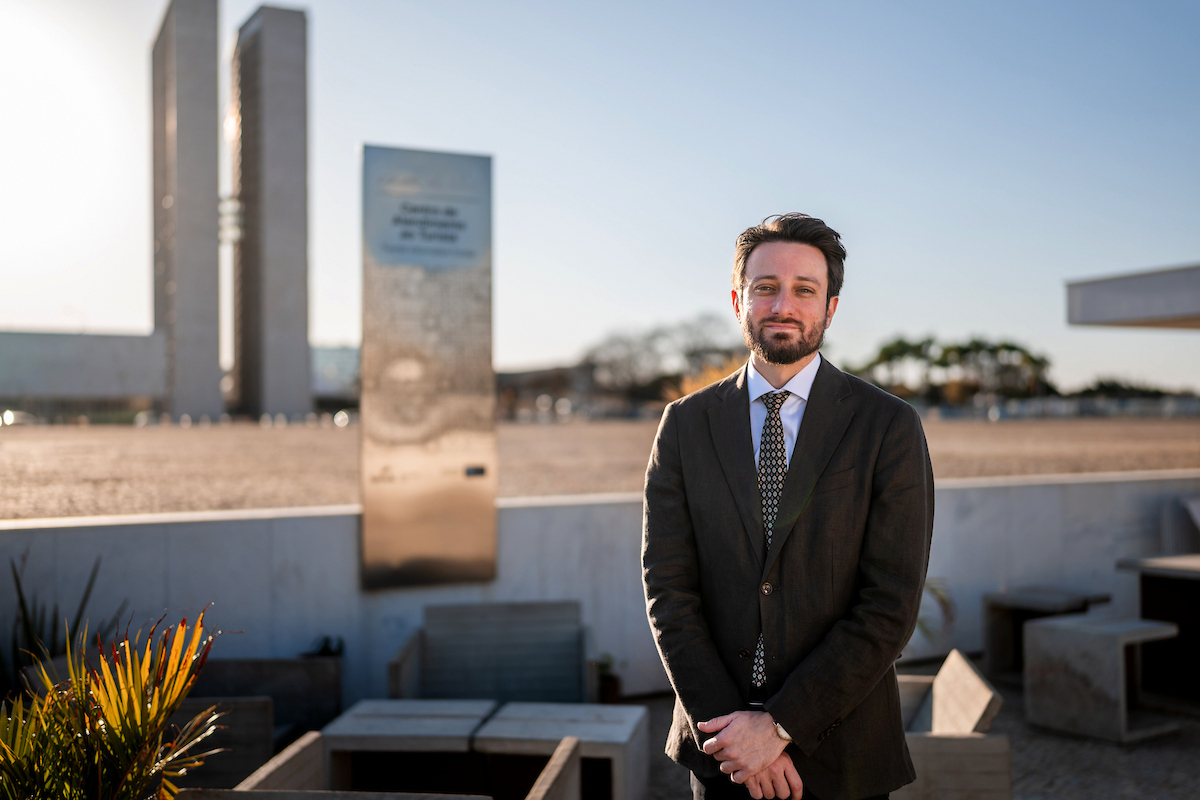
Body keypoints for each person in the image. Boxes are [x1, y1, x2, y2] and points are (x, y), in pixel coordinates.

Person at [642, 213, 934, 800]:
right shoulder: (684, 424)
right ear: (737, 299)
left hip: (842, 750)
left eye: (805, 289)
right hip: (721, 750)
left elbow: (890, 602)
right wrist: (736, 733)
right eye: (765, 286)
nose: (783, 305)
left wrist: (779, 726)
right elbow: (668, 588)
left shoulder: (888, 426)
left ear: (830, 307)